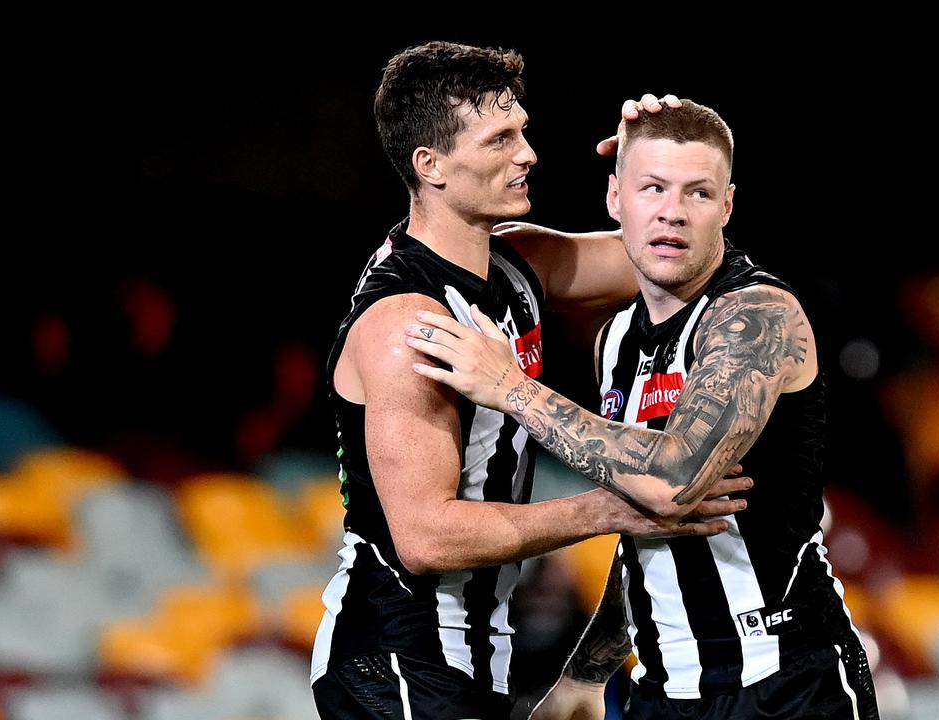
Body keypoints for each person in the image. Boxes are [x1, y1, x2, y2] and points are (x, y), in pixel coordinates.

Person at [311, 42, 750, 720]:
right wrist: (612, 509)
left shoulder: (517, 263)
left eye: (522, 131)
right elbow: (426, 538)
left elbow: (686, 256)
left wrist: (661, 162)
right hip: (396, 653)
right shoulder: (409, 321)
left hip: (471, 655)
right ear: (430, 167)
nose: (528, 154)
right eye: (499, 139)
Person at [407, 100, 880, 718]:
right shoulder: (616, 339)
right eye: (652, 187)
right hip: (659, 690)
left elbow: (672, 483)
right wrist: (587, 672)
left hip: (785, 681)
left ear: (728, 207)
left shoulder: (757, 316)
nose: (672, 213)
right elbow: (642, 525)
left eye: (698, 193)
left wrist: (511, 387)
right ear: (614, 200)